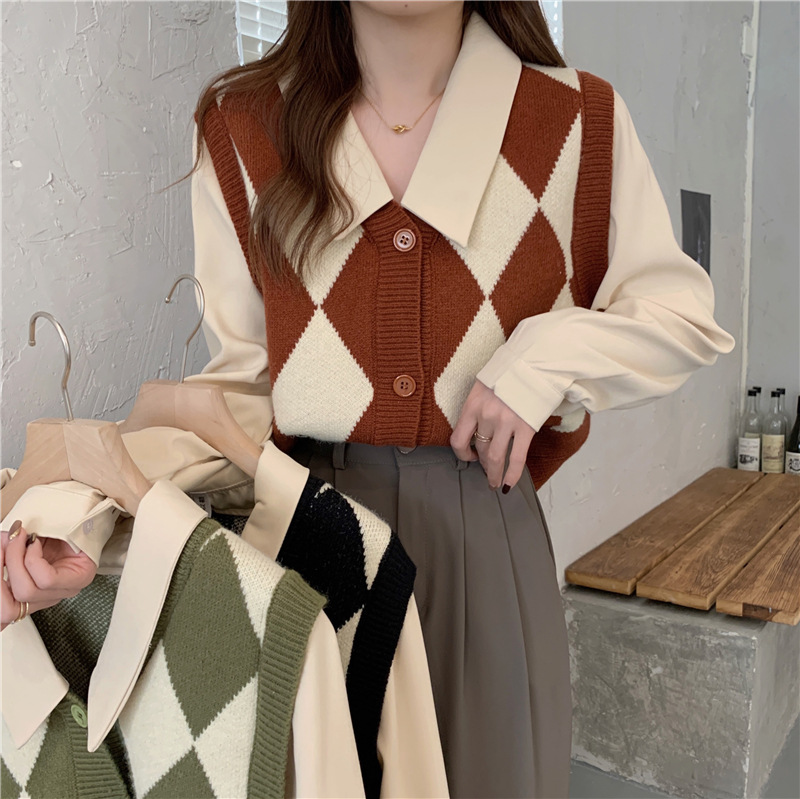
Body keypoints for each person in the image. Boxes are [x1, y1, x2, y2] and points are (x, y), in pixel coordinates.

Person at [3, 2, 736, 797]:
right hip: (299, 552)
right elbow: (241, 396)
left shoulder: (577, 120)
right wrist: (80, 521)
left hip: (484, 558)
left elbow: (680, 316)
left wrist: (544, 358)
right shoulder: (246, 126)